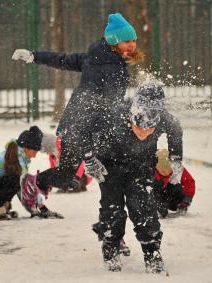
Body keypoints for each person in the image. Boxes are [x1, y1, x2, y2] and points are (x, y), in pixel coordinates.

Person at [12, 12, 144, 196]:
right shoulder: (106, 64)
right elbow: (64, 61)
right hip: (84, 128)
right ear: (114, 42)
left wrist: (35, 56)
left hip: (77, 126)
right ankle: (111, 211)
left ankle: (34, 184)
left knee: (66, 175)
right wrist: (34, 57)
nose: (132, 45)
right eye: (127, 41)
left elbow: (63, 60)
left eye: (133, 40)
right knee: (106, 171)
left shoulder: (99, 58)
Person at [83, 83, 183, 273]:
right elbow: (80, 129)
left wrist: (176, 160)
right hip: (109, 166)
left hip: (141, 166)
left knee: (143, 207)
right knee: (113, 209)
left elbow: (176, 132)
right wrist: (89, 158)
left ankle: (152, 251)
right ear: (132, 117)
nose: (144, 133)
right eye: (140, 128)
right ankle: (111, 248)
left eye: (150, 130)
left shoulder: (164, 119)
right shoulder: (113, 114)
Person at [0, 126, 62, 221]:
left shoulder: (17, 153)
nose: (35, 156)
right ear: (26, 148)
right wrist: (40, 207)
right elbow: (26, 186)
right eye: (34, 151)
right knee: (15, 181)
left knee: (14, 181)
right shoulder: (18, 159)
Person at [152, 149, 195, 217]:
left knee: (178, 188)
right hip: (155, 193)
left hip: (169, 193)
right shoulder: (149, 170)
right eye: (162, 171)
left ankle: (177, 204)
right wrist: (156, 205)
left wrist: (186, 200)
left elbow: (189, 183)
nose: (166, 173)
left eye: (168, 170)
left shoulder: (177, 167)